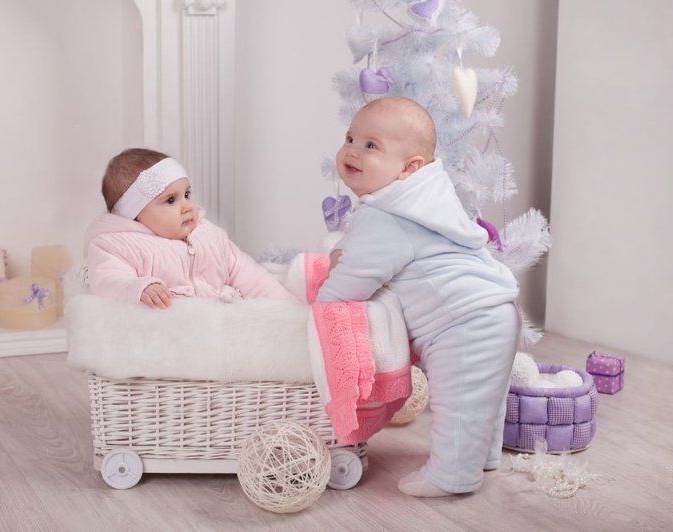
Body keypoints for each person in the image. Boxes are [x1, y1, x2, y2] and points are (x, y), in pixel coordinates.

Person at [316, 96, 520, 497]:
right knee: (483, 398)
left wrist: (322, 299)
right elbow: (379, 251)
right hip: (492, 309)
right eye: (350, 138)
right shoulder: (424, 198)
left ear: (409, 168)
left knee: (458, 403)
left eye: (371, 146)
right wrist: (347, 252)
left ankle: (452, 475)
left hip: (464, 322)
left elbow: (352, 283)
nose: (352, 151)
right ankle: (483, 456)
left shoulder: (387, 215)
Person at [85, 148, 294, 308]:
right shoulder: (119, 246)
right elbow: (106, 280)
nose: (187, 206)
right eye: (170, 200)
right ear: (136, 214)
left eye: (186, 194)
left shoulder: (209, 235)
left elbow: (248, 274)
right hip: (170, 333)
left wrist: (286, 307)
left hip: (221, 323)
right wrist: (140, 288)